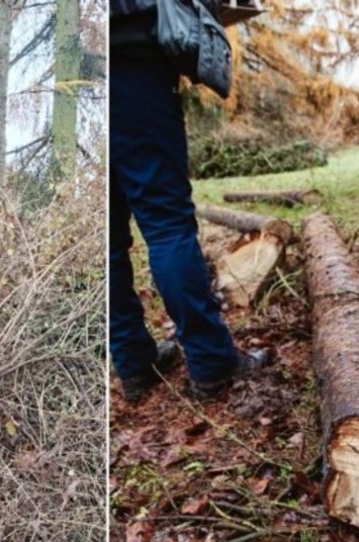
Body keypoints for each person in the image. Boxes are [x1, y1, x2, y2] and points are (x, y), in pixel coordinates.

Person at [109, 0, 267, 403]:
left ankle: (134, 363)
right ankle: (211, 361)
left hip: (80, 72)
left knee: (107, 242)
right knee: (167, 225)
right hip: (132, 59)